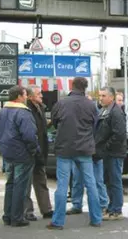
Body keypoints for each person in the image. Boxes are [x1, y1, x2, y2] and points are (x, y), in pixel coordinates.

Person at [47, 77, 102, 230]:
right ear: (85, 88)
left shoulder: (61, 103)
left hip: (64, 148)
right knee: (91, 184)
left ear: (72, 86)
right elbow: (94, 125)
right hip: (85, 148)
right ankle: (96, 219)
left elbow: (55, 123)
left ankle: (58, 221)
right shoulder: (91, 105)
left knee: (62, 185)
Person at [0, 85, 39, 227]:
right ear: (19, 96)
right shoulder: (23, 112)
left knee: (10, 184)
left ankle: (8, 215)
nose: (26, 97)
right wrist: (33, 150)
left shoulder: (2, 112)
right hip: (22, 154)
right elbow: (30, 135)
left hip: (7, 153)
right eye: (25, 95)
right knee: (20, 185)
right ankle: (17, 217)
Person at [96, 87, 127, 220]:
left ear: (111, 97)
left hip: (114, 153)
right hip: (106, 153)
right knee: (108, 180)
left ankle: (116, 209)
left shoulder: (115, 112)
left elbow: (119, 134)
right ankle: (111, 206)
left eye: (103, 96)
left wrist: (106, 147)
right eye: (100, 96)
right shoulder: (104, 110)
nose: (101, 98)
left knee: (115, 181)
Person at [24, 85, 53, 221]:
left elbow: (41, 128)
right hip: (29, 151)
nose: (41, 96)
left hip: (41, 150)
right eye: (38, 94)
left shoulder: (40, 108)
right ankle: (27, 211)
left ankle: (46, 209)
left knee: (41, 180)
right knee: (27, 183)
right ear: (30, 96)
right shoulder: (26, 110)